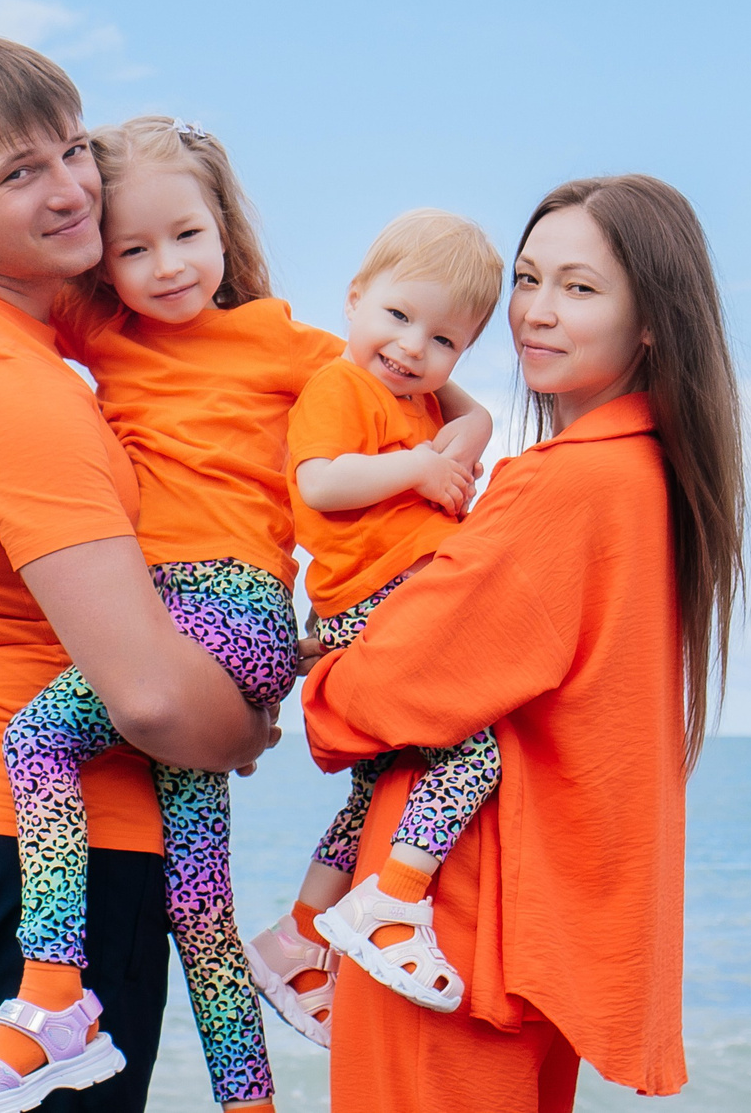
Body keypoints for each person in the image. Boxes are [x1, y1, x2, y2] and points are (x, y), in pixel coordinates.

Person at [0, 124, 491, 1113]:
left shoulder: (285, 343)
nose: (166, 266)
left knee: (37, 740)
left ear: (222, 229)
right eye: (134, 249)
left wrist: (460, 438)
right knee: (199, 904)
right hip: (164, 623)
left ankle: (53, 999)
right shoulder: (103, 331)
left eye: (187, 236)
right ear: (105, 260)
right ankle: (250, 1102)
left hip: (228, 608)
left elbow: (419, 370)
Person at [0, 39, 276, 1113]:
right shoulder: (11, 387)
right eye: (19, 173)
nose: (72, 189)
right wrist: (243, 732)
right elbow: (148, 697)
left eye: (73, 150)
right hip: (57, 857)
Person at [301, 175, 747, 1111]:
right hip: (524, 933)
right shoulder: (651, 477)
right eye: (529, 279)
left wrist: (322, 671)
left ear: (651, 320)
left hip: (449, 928)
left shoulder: (564, 485)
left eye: (580, 288)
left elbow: (382, 692)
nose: (537, 312)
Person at [242, 210, 504, 1048]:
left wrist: (454, 428)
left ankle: (296, 937)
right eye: (396, 315)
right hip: (376, 599)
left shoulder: (418, 400)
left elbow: (479, 419)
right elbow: (320, 483)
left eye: (444, 339)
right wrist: (419, 467)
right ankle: (393, 899)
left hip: (390, 600)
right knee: (474, 752)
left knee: (374, 791)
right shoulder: (342, 386)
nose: (412, 347)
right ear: (354, 298)